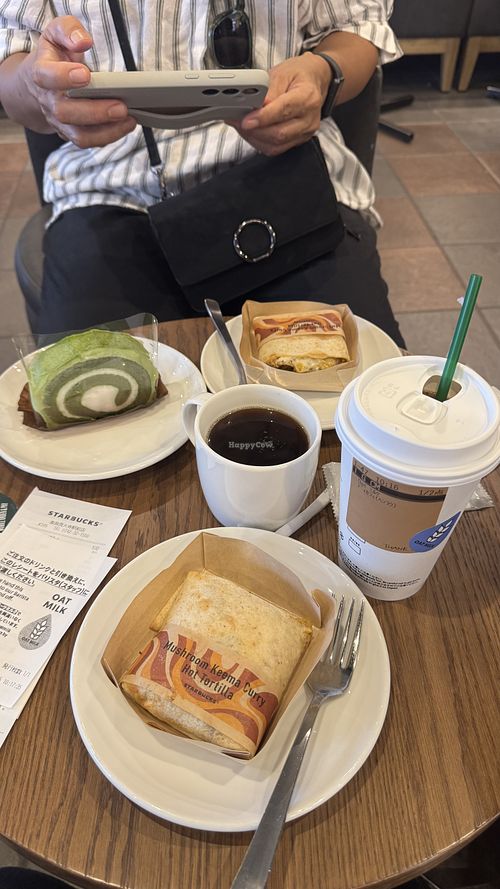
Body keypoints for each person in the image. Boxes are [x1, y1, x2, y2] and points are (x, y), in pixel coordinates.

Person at [0, 0, 405, 347]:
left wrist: (322, 70)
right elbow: (12, 59)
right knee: (86, 414)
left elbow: (353, 27)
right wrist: (37, 86)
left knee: (361, 404)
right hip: (108, 187)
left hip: (282, 176)